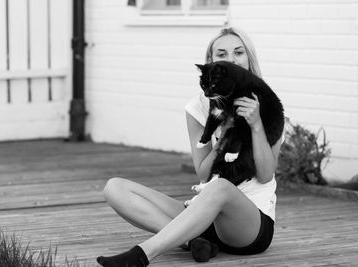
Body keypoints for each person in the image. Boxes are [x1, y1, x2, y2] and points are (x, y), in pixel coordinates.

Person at [96, 26, 283, 267]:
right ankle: (194, 241)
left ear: (249, 58)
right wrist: (226, 131)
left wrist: (255, 124)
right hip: (205, 217)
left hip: (248, 226)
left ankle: (143, 254)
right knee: (115, 187)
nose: (231, 59)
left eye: (238, 52)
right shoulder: (198, 108)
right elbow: (204, 173)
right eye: (222, 54)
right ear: (211, 63)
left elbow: (266, 174)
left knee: (221, 188)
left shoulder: (267, 103)